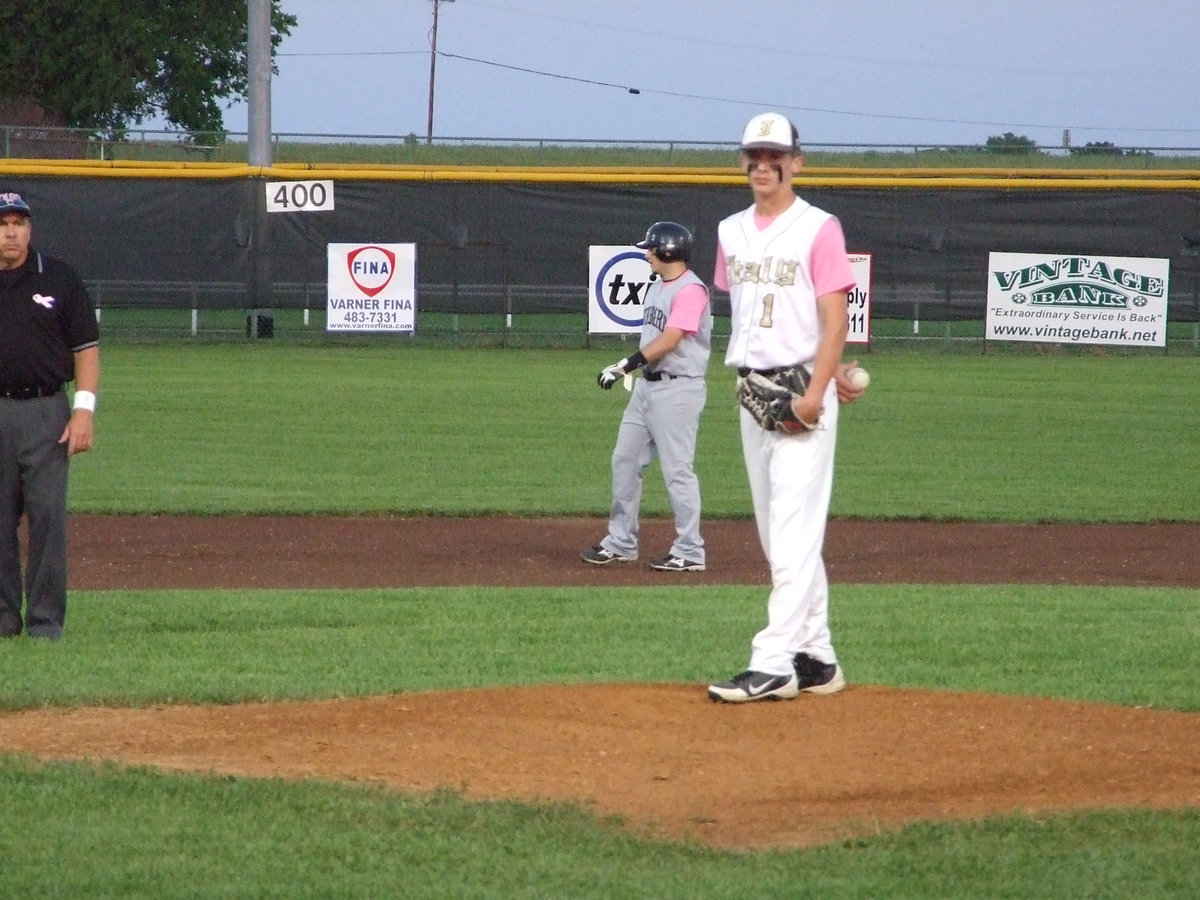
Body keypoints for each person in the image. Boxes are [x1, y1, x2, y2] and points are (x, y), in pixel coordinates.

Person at [706, 114, 866, 702]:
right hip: (752, 393)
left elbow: (833, 320)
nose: (763, 164)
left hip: (802, 394)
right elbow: (750, 317)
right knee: (780, 537)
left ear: (797, 161)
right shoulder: (729, 231)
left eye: (776, 154)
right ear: (743, 160)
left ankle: (773, 661)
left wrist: (819, 389)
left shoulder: (819, 227)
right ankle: (816, 656)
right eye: (754, 153)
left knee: (793, 532)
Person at [582, 221, 713, 572]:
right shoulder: (658, 285)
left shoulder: (690, 290)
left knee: (677, 471)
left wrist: (625, 364)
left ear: (668, 251)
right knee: (624, 461)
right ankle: (621, 542)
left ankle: (690, 551)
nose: (646, 253)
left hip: (679, 389)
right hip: (647, 388)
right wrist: (635, 370)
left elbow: (672, 339)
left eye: (651, 248)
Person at [0, 191, 100, 640]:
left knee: (47, 520)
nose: (11, 231)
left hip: (45, 412)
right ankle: (3, 619)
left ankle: (44, 623)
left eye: (19, 223)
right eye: (4, 223)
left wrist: (83, 411)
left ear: (30, 229)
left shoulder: (58, 278)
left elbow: (87, 350)